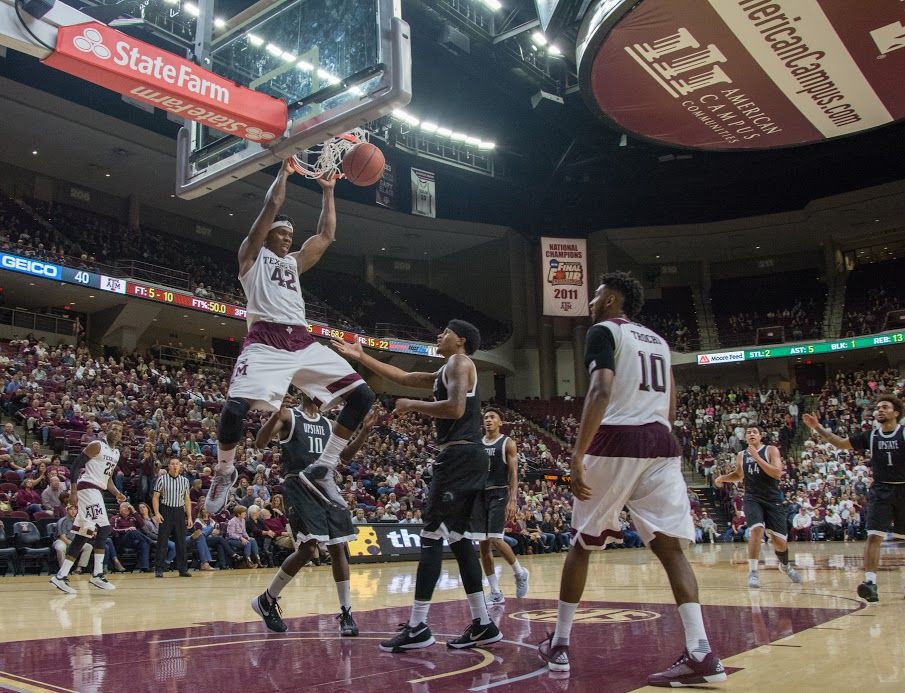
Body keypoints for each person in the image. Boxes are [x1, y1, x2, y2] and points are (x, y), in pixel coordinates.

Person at [537, 273, 725, 686]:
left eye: (598, 293)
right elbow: (671, 402)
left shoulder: (603, 330)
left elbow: (601, 390)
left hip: (618, 437)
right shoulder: (658, 341)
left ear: (613, 298)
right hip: (662, 441)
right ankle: (701, 653)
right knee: (671, 549)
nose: (591, 299)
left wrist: (577, 453)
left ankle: (561, 644)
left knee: (582, 543)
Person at [204, 162, 376, 515]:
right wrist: (284, 172)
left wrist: (328, 191)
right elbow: (269, 208)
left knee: (363, 395)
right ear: (267, 235)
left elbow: (326, 236)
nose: (287, 237)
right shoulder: (251, 257)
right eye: (282, 232)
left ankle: (325, 467)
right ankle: (224, 471)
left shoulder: (294, 263)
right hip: (265, 340)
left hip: (301, 340)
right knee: (234, 411)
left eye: (289, 235)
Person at [332, 320, 503, 652]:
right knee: (459, 539)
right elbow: (406, 378)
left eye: (446, 332)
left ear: (461, 340)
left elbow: (455, 408)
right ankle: (483, 623)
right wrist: (363, 357)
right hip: (468, 458)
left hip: (458, 457)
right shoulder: (449, 367)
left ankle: (418, 627)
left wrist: (412, 405)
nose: (439, 335)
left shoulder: (458, 362)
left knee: (431, 537)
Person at [251, 392, 376, 635]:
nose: (326, 395)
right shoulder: (289, 416)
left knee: (339, 547)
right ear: (307, 391)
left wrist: (364, 431)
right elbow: (259, 443)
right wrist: (273, 417)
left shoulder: (329, 424)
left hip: (325, 485)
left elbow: (345, 457)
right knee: (308, 549)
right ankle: (267, 600)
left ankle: (346, 612)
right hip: (298, 484)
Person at [803, 397, 905, 602]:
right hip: (880, 490)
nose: (880, 410)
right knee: (874, 536)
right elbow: (840, 443)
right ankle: (870, 583)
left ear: (896, 413)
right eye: (877, 408)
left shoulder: (903, 433)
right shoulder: (871, 435)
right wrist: (818, 428)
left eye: (885, 407)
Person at [714, 426, 801, 588]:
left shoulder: (771, 450)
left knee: (780, 543)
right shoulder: (741, 455)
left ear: (761, 436)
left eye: (755, 432)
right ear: (745, 437)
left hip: (772, 499)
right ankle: (753, 572)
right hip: (752, 498)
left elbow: (776, 473)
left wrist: (757, 458)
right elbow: (739, 475)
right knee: (756, 529)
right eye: (749, 432)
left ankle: (785, 565)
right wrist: (723, 478)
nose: (751, 434)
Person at [50, 421, 126, 594]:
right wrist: (73, 491)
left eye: (119, 430)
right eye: (113, 428)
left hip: (97, 489)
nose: (116, 431)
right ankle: (97, 574)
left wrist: (116, 494)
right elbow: (76, 465)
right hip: (87, 488)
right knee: (105, 528)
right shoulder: (97, 445)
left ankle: (60, 576)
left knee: (83, 535)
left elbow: (107, 479)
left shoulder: (115, 453)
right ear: (106, 430)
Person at [470, 408, 529, 605]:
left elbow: (513, 473)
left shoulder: (507, 443)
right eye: (485, 417)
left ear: (500, 422)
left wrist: (513, 500)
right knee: (483, 546)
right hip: (480, 494)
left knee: (495, 538)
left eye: (492, 417)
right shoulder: (477, 443)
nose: (488, 420)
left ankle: (520, 573)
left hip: (499, 492)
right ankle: (495, 591)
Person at [152, 458, 192, 578]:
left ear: (180, 466)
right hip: (166, 510)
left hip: (179, 511)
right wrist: (157, 513)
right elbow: (155, 497)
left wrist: (189, 516)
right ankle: (159, 568)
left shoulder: (185, 481)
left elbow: (187, 499)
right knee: (162, 540)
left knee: (181, 541)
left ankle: (182, 569)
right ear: (168, 466)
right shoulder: (162, 479)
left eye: (177, 464)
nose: (175, 466)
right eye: (173, 464)